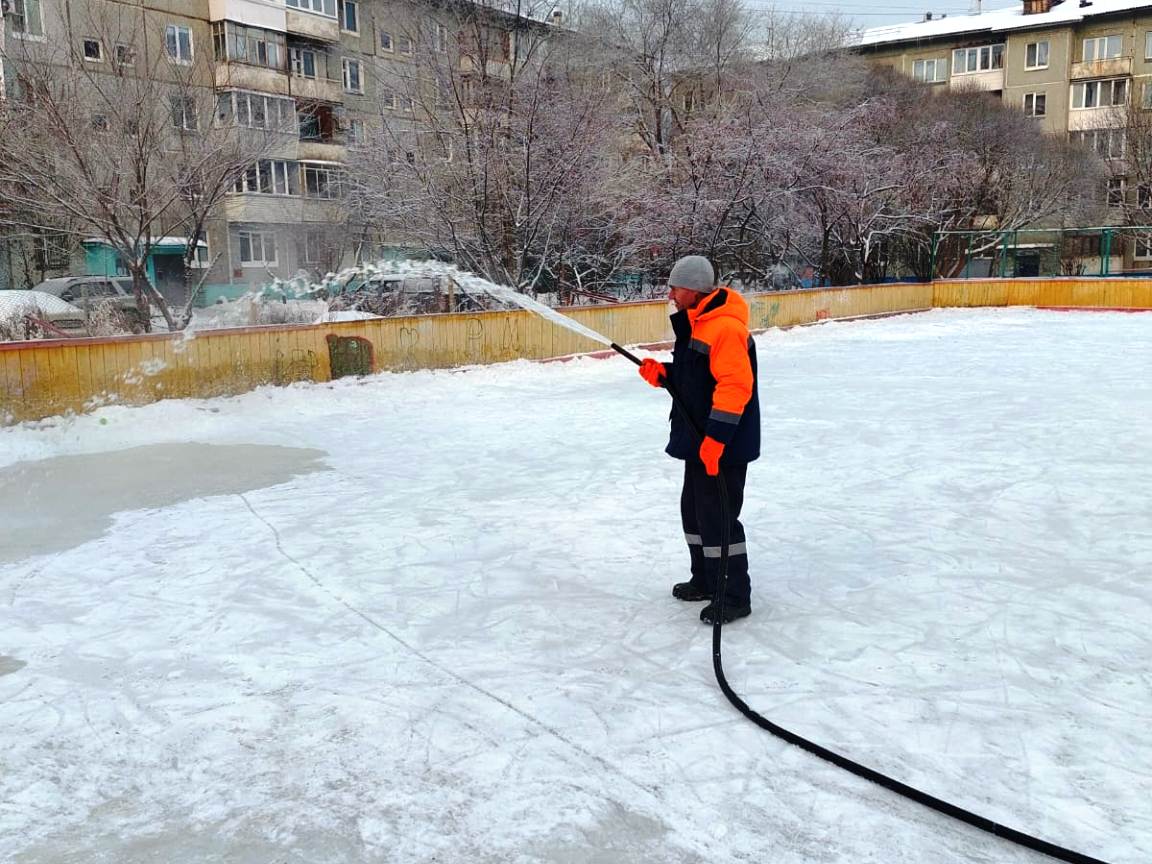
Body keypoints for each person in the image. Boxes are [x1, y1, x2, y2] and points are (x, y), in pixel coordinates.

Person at [637, 255, 760, 624]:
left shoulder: (723, 328)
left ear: (692, 289)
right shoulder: (698, 322)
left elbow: (735, 386)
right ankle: (706, 579)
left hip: (722, 444)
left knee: (718, 518)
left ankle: (734, 594)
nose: (670, 294)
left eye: (675, 287)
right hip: (700, 439)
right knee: (694, 511)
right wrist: (664, 374)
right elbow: (696, 378)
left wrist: (717, 440)